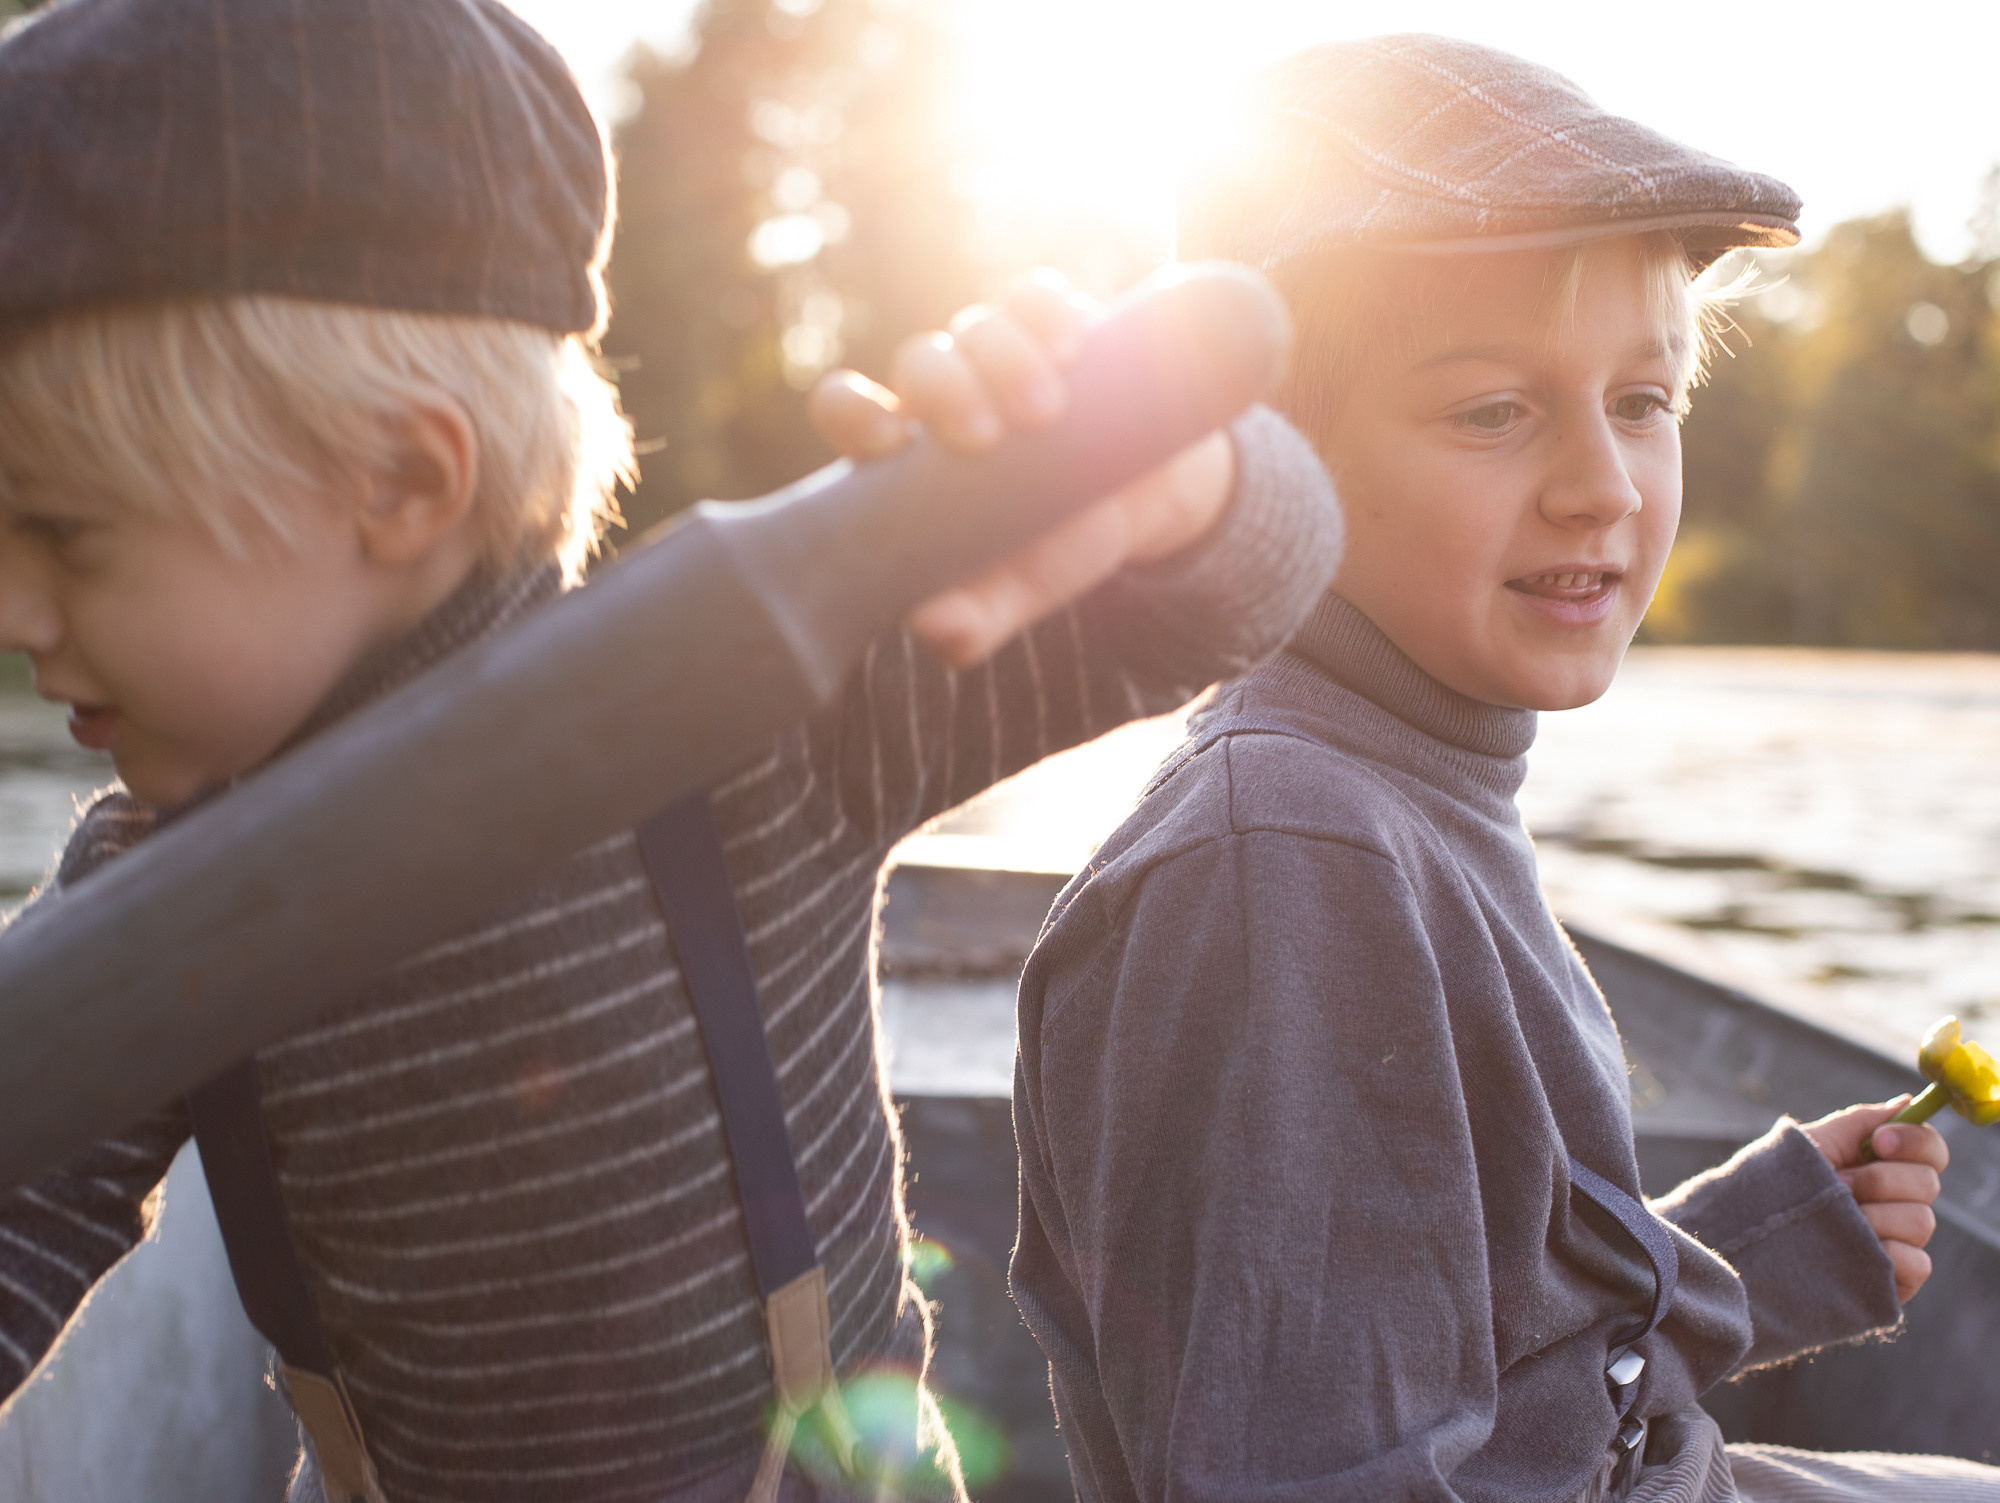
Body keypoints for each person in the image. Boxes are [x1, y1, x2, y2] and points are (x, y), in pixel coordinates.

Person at [0, 3, 1343, 1502]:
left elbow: (1251, 585)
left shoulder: (748, 718)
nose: (4, 601)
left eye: (60, 532)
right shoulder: (152, 895)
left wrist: (1179, 478)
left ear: (399, 478)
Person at [1010, 34, 2000, 1503]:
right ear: (1266, 463)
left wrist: (1736, 1259)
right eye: (1494, 409)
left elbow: (1481, 1365)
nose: (1603, 483)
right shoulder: (1291, 863)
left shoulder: (1403, 784)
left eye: (1644, 401)